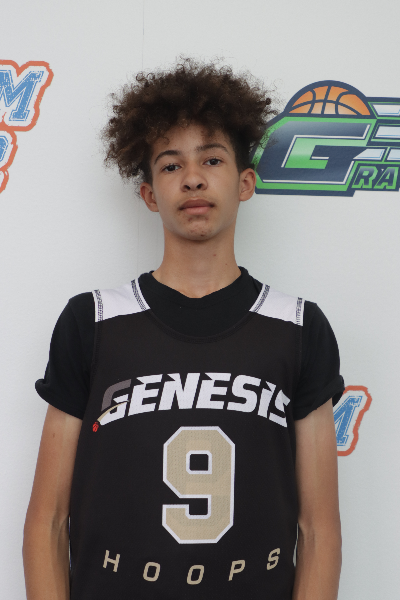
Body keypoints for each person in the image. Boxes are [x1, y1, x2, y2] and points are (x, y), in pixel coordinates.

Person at [23, 58, 344, 600]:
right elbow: (47, 521)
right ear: (150, 194)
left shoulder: (298, 327)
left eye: (212, 159)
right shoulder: (92, 322)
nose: (193, 177)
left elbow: (318, 529)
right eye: (171, 166)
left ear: (245, 182)